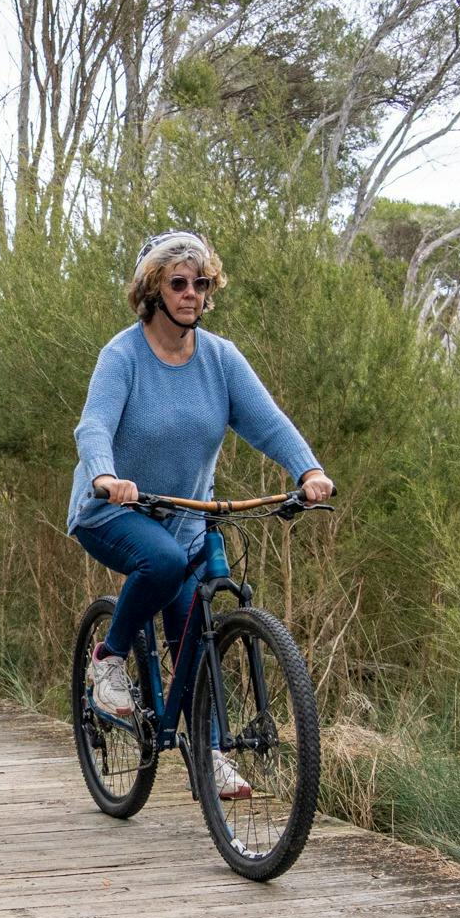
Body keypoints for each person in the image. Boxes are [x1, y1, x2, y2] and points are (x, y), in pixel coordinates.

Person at [68, 231, 334, 799]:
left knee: (196, 624)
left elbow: (267, 421)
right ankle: (109, 660)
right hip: (112, 511)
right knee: (162, 562)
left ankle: (207, 754)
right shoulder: (122, 356)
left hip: (189, 515)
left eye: (201, 283)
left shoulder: (220, 359)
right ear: (152, 290)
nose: (192, 293)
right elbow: (93, 425)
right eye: (179, 283)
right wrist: (105, 477)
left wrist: (306, 470)